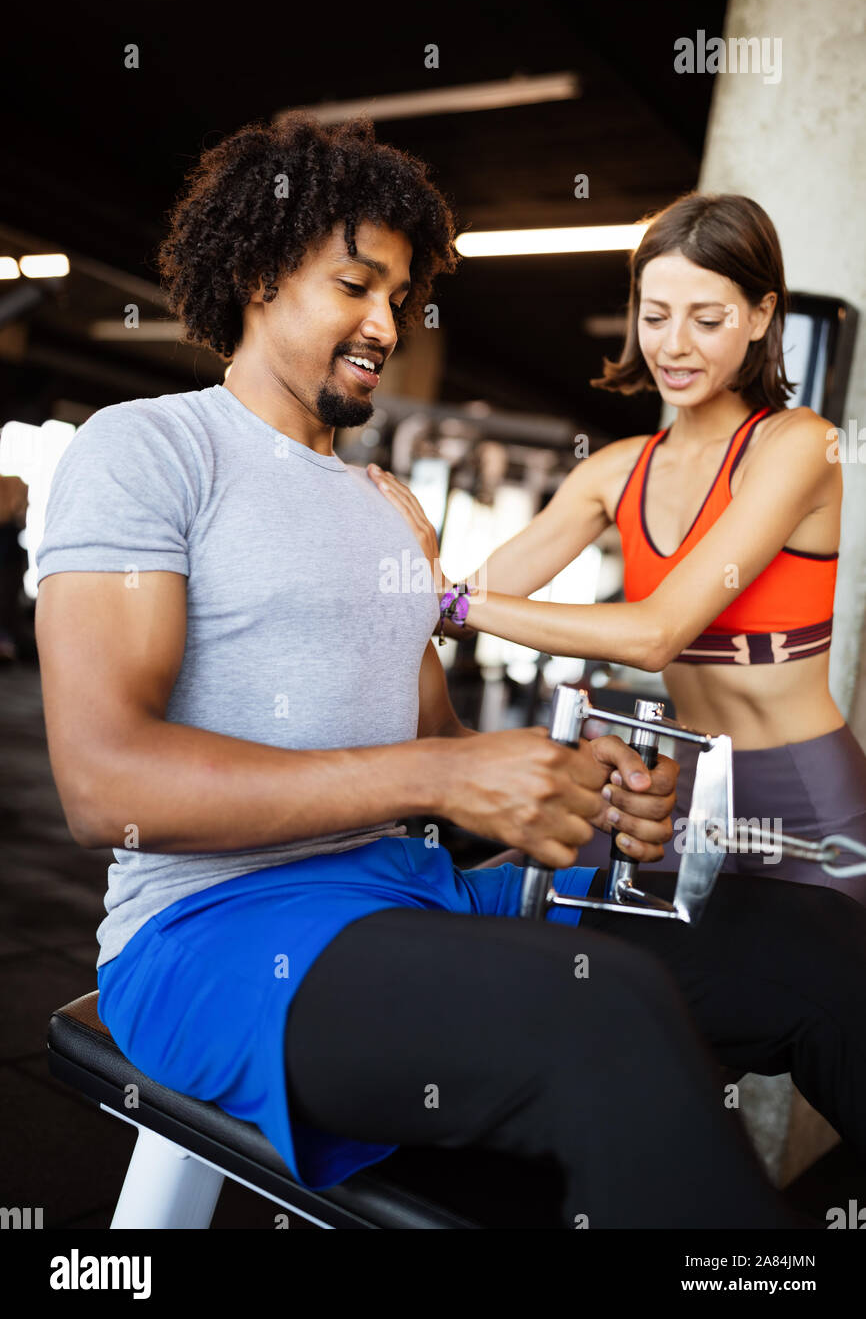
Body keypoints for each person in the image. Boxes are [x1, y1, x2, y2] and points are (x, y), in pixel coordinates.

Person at [34, 117, 866, 1229]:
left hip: (417, 892)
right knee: (605, 1009)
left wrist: (574, 781)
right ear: (254, 273)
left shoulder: (388, 509)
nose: (385, 323)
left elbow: (437, 743)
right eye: (354, 285)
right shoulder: (149, 449)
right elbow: (107, 786)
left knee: (817, 951)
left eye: (402, 296)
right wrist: (434, 779)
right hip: (216, 935)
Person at [373, 192, 866, 903]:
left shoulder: (797, 444)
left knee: (803, 1003)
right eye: (656, 315)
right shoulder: (614, 471)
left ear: (761, 316)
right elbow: (457, 608)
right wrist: (411, 575)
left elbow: (656, 635)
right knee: (523, 923)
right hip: (676, 792)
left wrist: (450, 596)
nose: (674, 345)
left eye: (708, 319)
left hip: (806, 803)